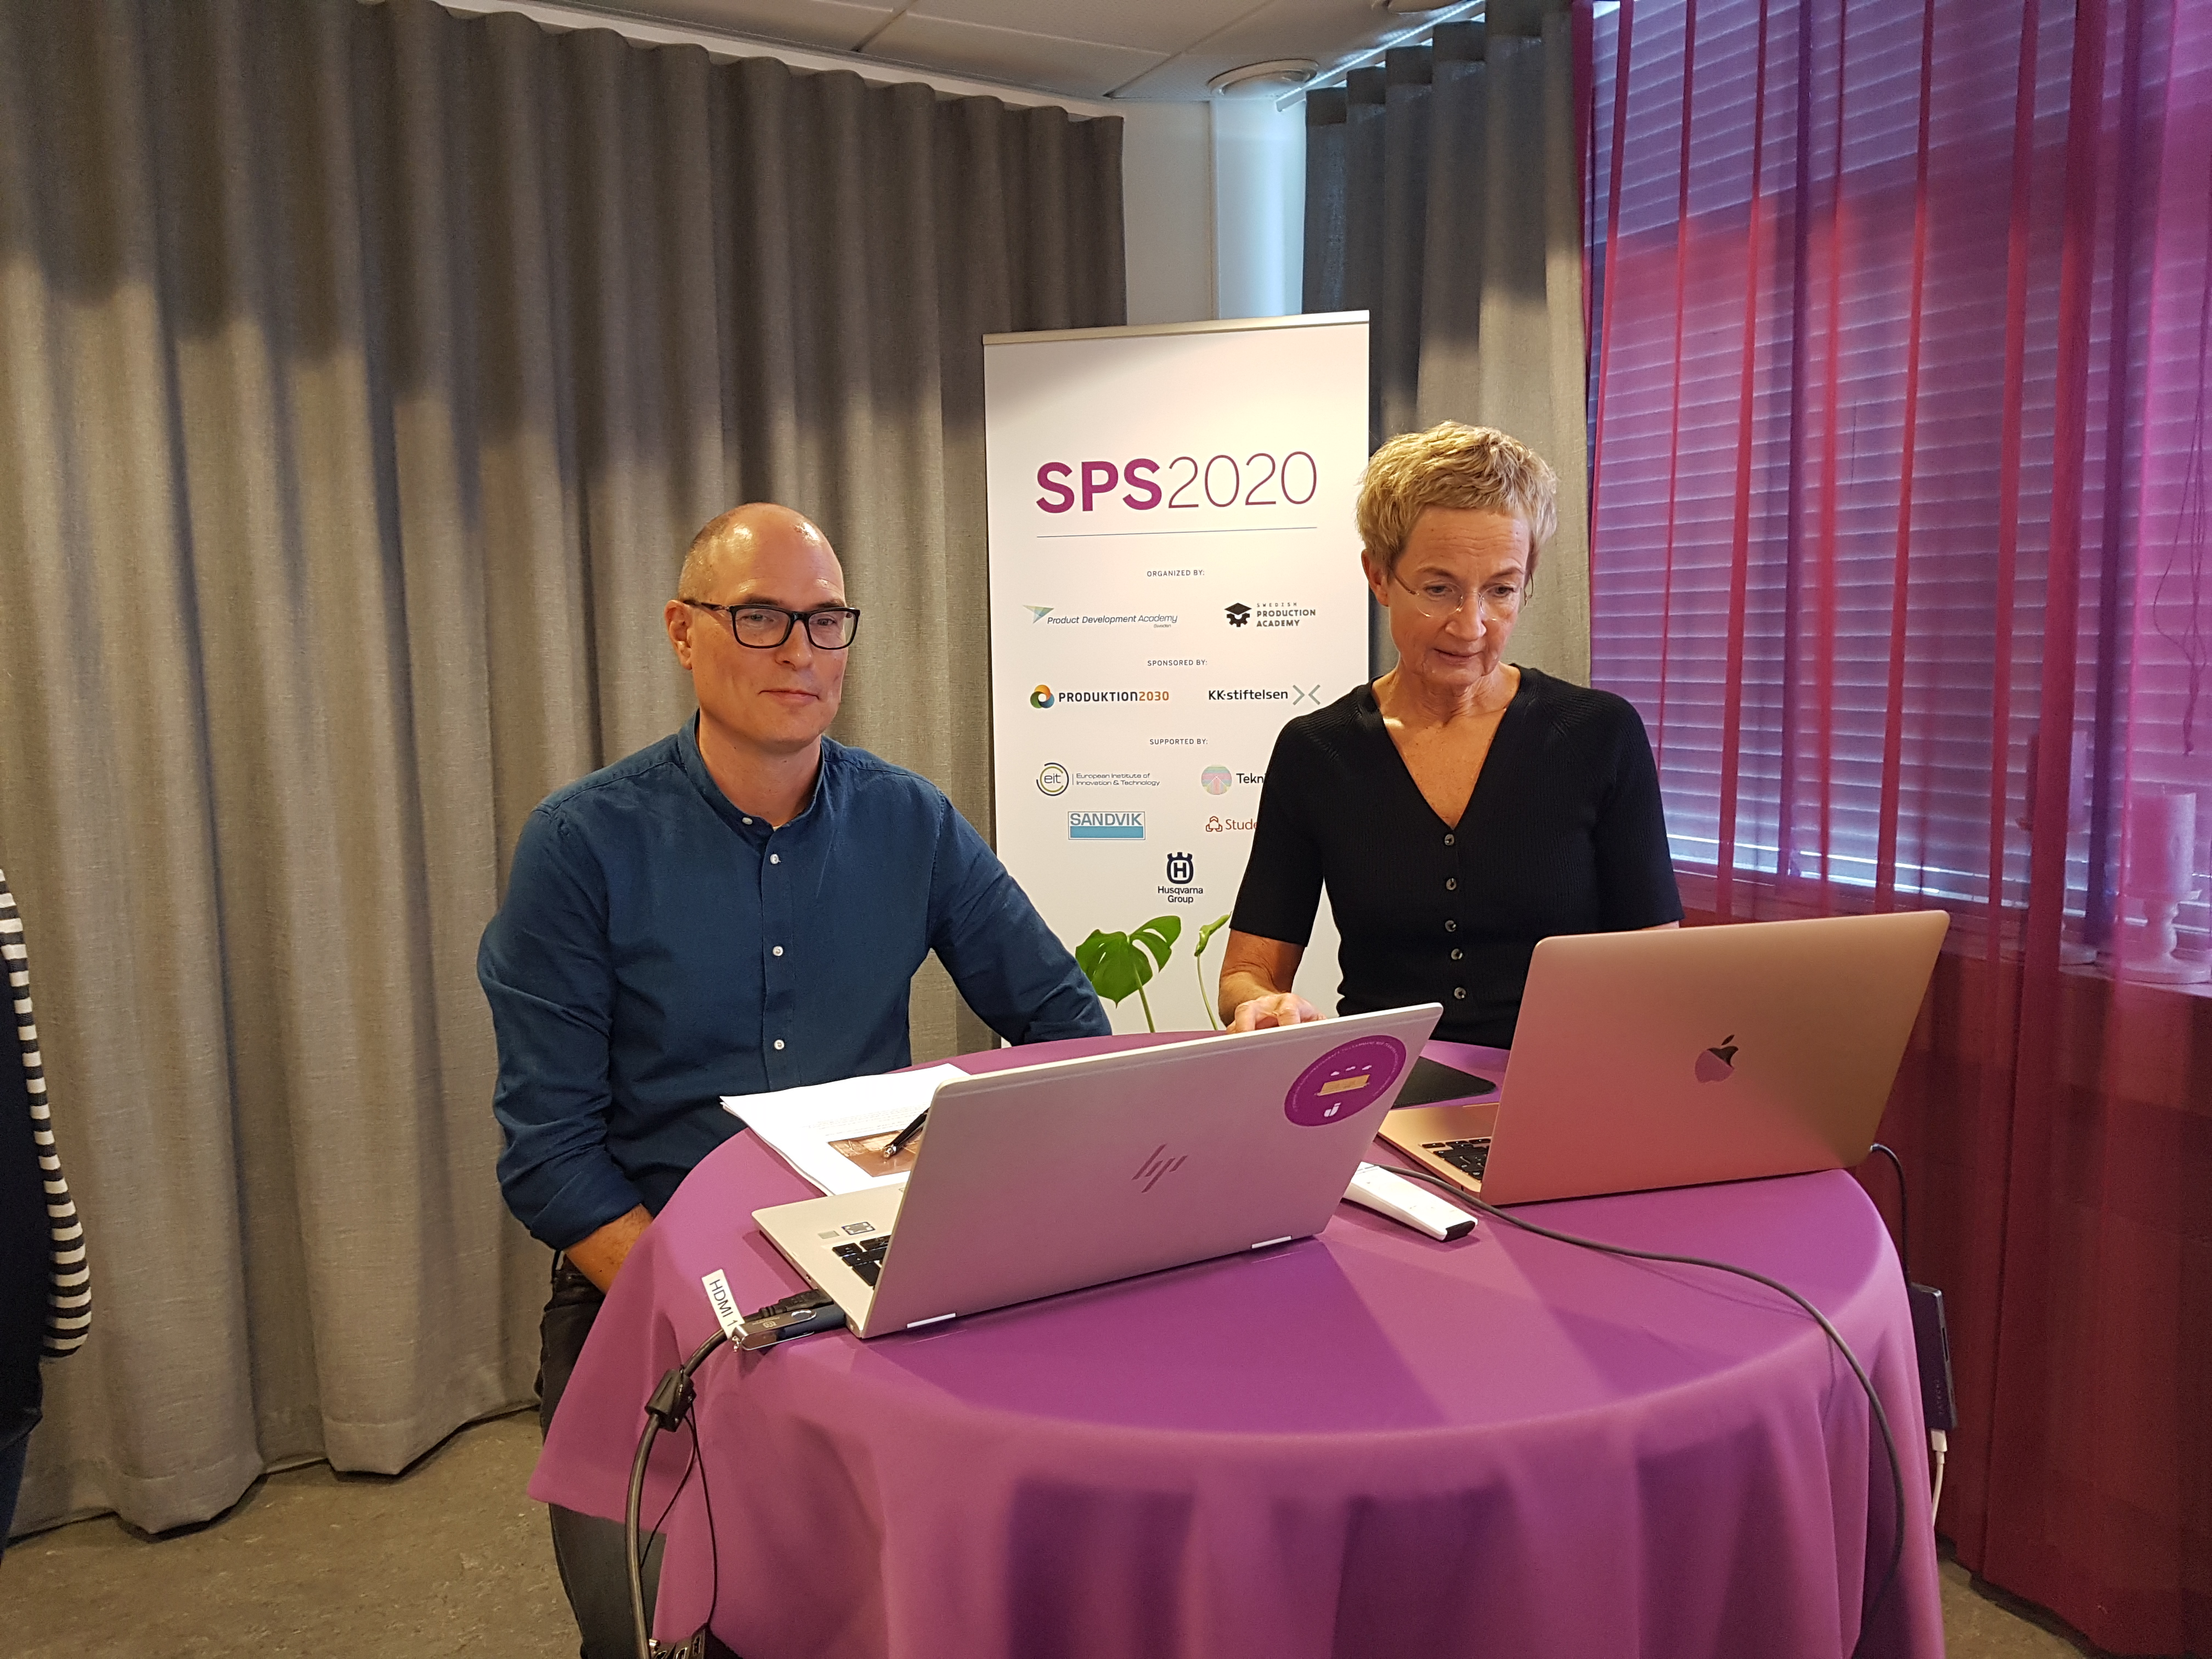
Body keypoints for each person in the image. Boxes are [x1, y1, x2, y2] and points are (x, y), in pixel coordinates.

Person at [480, 503, 1107, 1659]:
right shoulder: (582, 846)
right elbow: (552, 1159)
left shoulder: (909, 821)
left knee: (940, 1607)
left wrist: (992, 1212)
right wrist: (711, 1306)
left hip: (872, 1270)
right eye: (761, 617)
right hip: (648, 1287)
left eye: (825, 621)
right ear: (682, 631)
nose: (801, 651)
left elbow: (1066, 1026)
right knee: (649, 1636)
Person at [1218, 424, 1681, 1042]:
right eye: (1439, 590)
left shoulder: (1599, 735)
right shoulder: (1317, 752)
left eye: (1501, 590)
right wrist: (1263, 1005)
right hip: (1386, 1078)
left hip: (1561, 1075)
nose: (1471, 626)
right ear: (1379, 576)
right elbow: (1248, 972)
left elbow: (1654, 966)